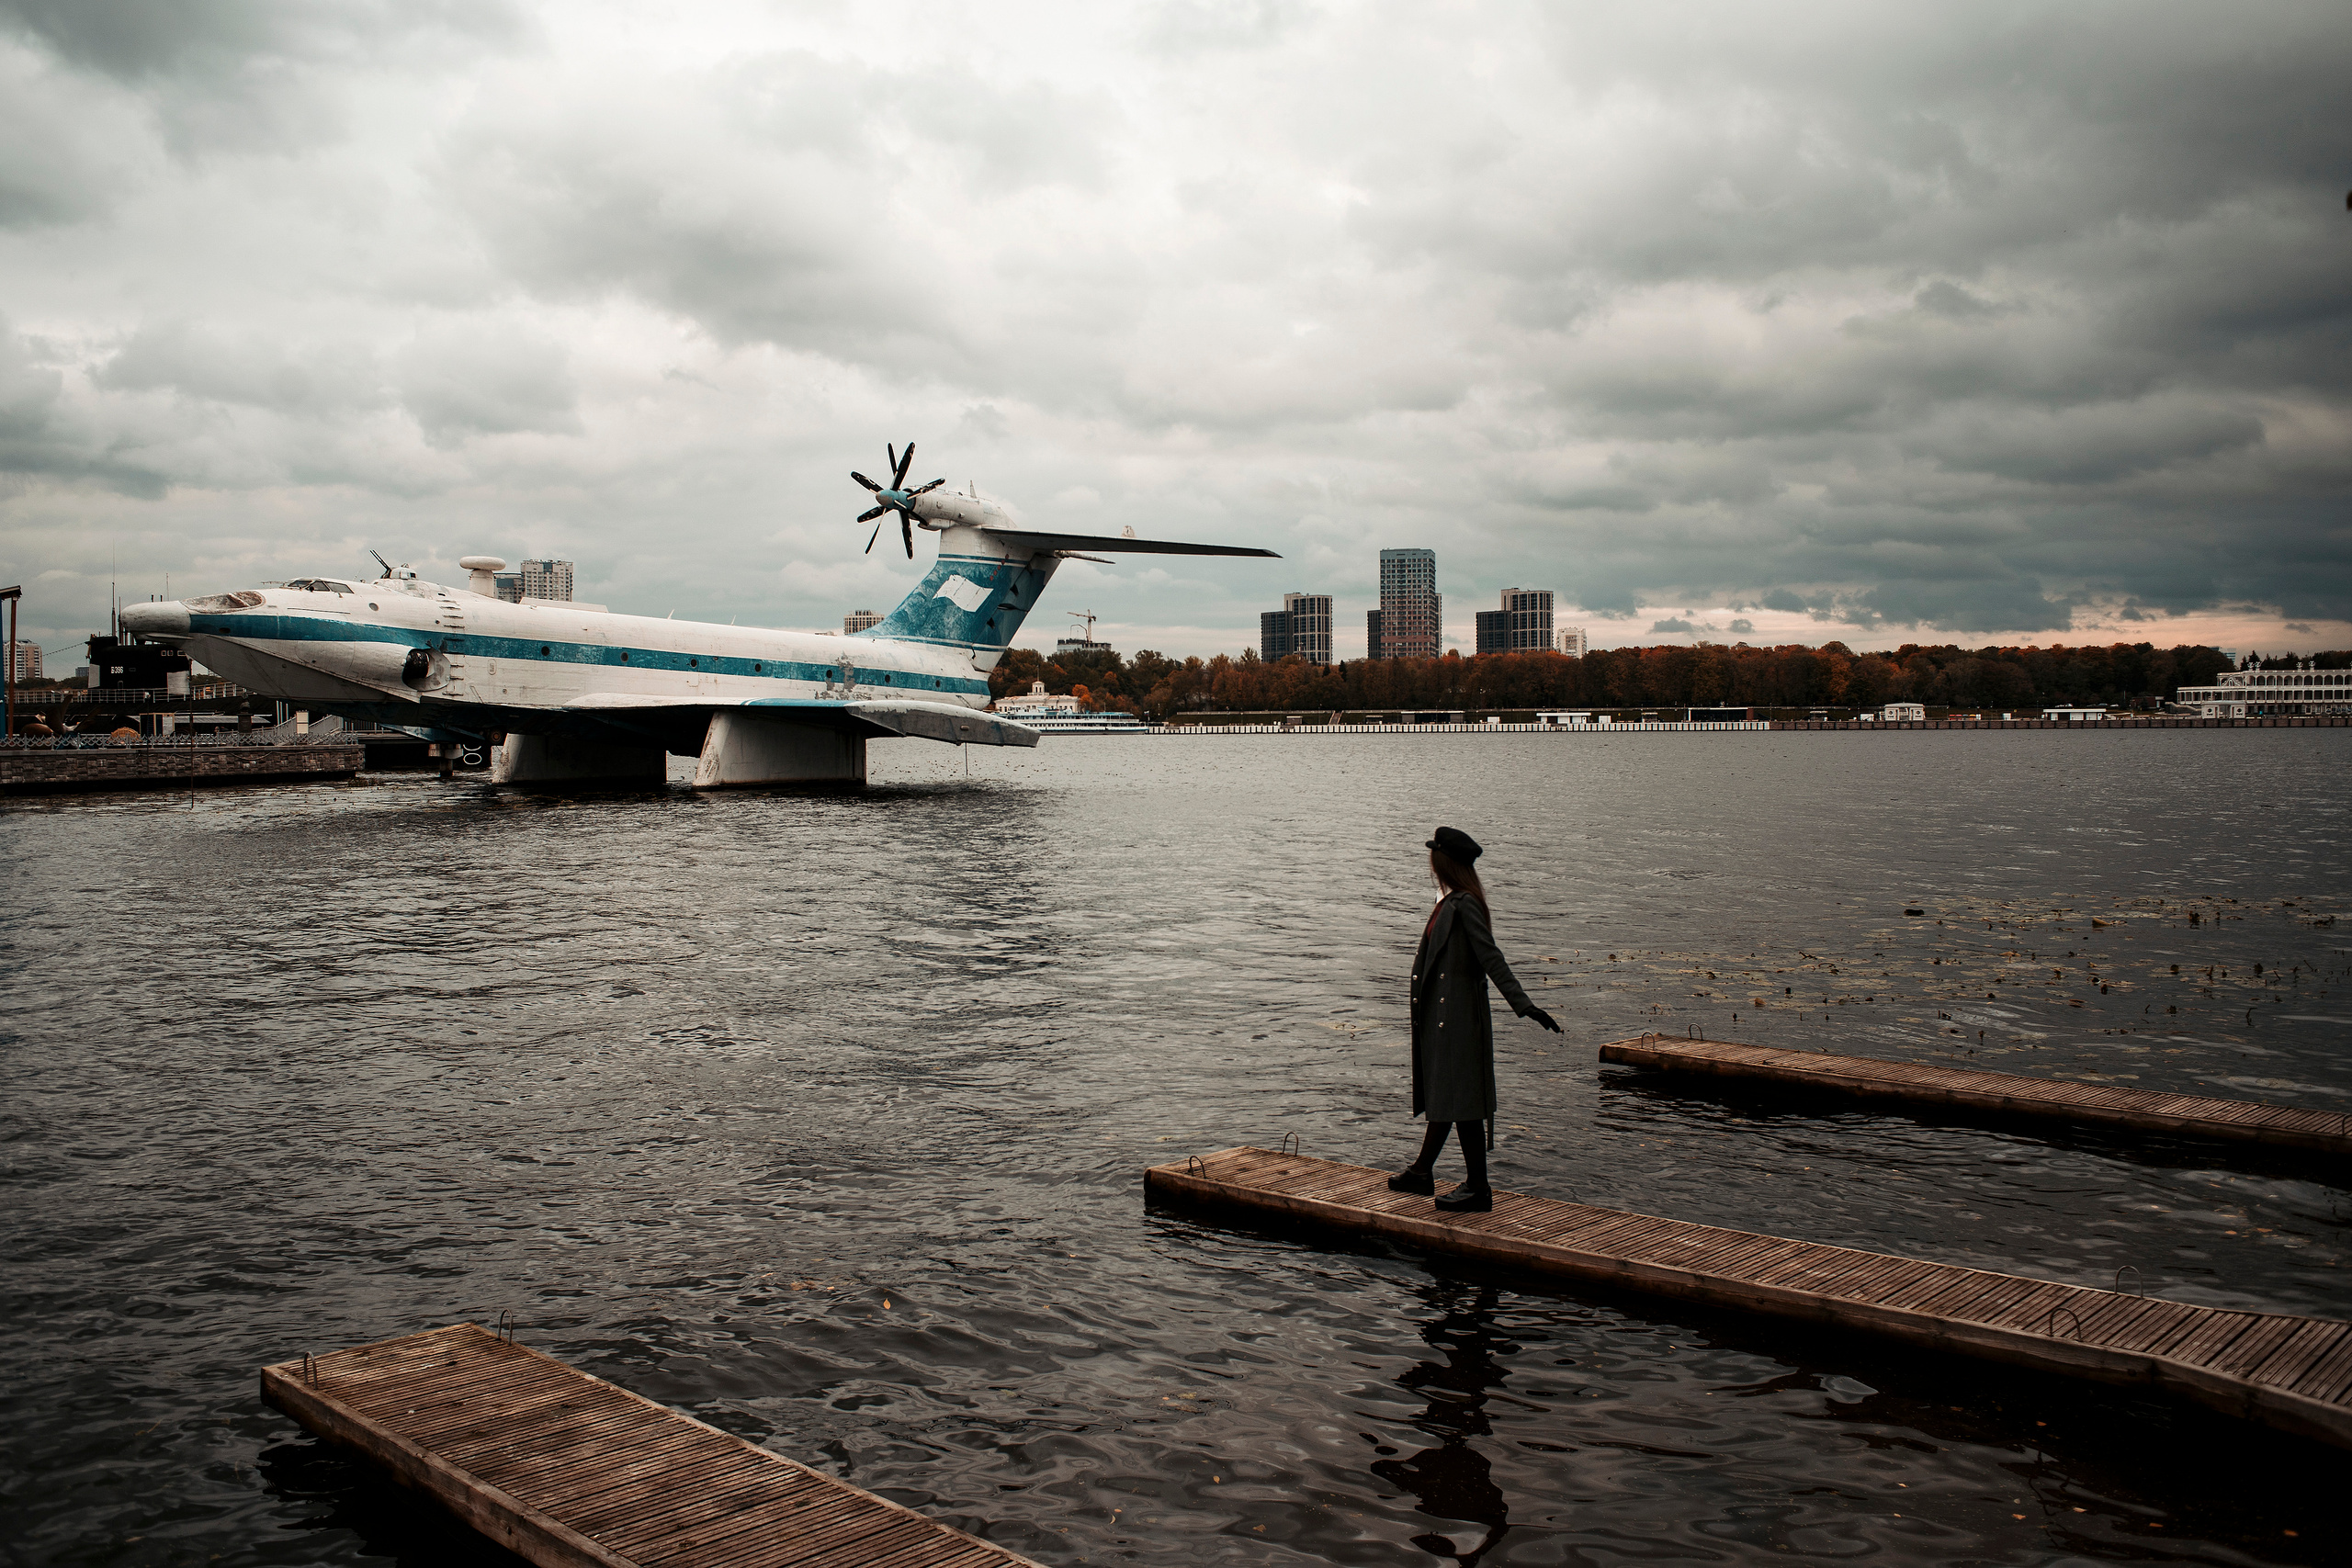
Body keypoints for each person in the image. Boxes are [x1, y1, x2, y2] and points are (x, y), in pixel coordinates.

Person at [1390, 826, 1559, 1213]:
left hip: (1459, 1020)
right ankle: (1422, 1173)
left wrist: (1524, 1004)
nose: (1430, 862)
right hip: (1443, 1018)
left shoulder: (1463, 904)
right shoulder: (1449, 900)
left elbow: (1490, 957)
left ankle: (1478, 1187)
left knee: (1460, 1100)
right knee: (1449, 1096)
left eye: (1434, 856)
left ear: (1443, 861)